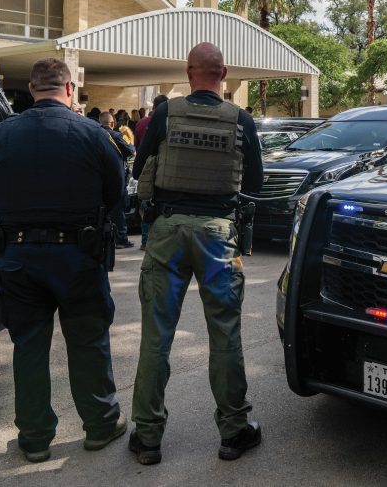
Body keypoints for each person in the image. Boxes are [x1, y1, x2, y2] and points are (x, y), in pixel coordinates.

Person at [0, 57, 126, 463]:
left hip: (18, 257)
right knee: (88, 342)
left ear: (31, 90)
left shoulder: (1, 134)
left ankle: (34, 438)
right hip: (78, 256)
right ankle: (100, 425)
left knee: (28, 346)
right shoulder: (93, 134)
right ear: (69, 90)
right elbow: (116, 195)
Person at [129, 42, 263, 465]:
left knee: (156, 335)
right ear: (223, 74)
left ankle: (148, 438)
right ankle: (234, 431)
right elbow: (255, 182)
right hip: (218, 233)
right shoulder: (241, 120)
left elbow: (139, 169)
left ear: (189, 73)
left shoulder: (167, 114)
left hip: (168, 230)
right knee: (225, 333)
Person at [133, 94, 167, 250]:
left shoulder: (141, 123)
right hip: (163, 169)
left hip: (146, 169)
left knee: (146, 204)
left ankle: (145, 241)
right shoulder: (168, 122)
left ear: (153, 106)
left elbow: (137, 147)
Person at [100, 111, 135, 248]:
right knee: (118, 210)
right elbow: (132, 150)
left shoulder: (93, 135)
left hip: (98, 178)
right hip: (116, 178)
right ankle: (120, 238)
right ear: (113, 123)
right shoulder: (118, 136)